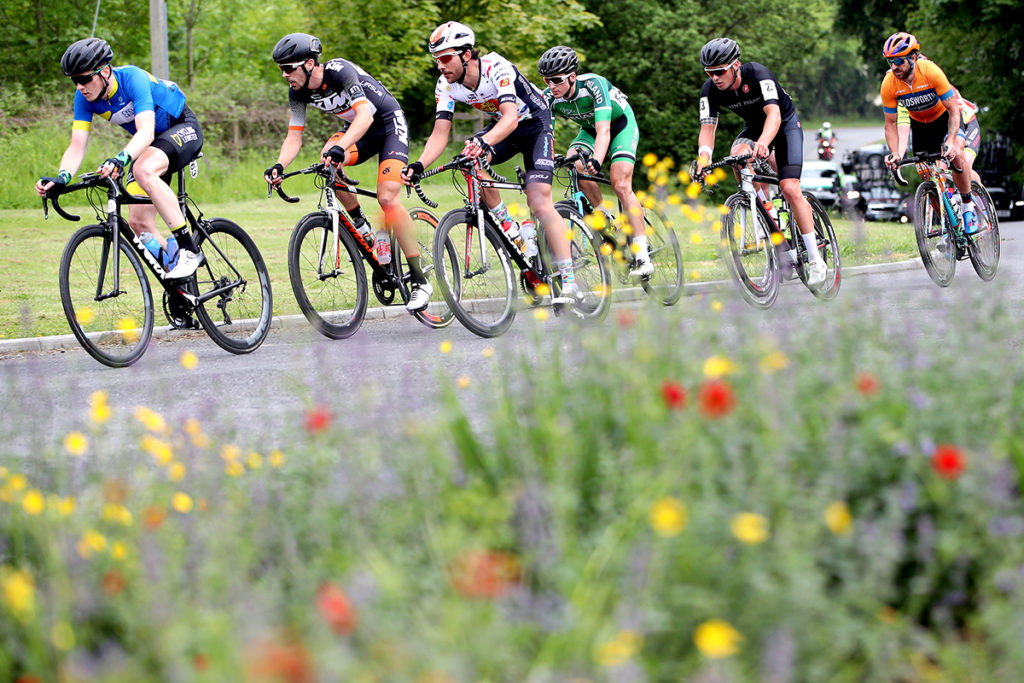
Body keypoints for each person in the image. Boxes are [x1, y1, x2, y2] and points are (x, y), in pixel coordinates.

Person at [400, 22, 582, 303]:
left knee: (539, 200)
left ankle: (570, 282)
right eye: (436, 59)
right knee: (467, 159)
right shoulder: (445, 85)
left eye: (446, 58)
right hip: (504, 126)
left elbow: (510, 117)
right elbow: (440, 132)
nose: (440, 66)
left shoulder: (496, 67)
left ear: (467, 54)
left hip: (534, 123)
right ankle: (510, 227)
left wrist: (485, 142)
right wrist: (419, 164)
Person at [263, 33, 432, 312]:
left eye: (288, 68)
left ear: (308, 63)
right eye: (280, 68)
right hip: (359, 132)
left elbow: (365, 116)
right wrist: (280, 165)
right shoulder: (298, 91)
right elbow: (294, 136)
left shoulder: (340, 71)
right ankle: (363, 227)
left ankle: (419, 279)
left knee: (387, 198)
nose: (284, 75)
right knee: (327, 160)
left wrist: (342, 145)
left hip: (387, 125)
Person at [35, 37, 204, 279]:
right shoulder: (84, 99)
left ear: (104, 72)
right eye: (74, 81)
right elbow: (77, 145)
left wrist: (120, 159)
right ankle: (182, 289)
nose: (79, 86)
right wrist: (62, 177)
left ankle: (189, 249)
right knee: (139, 224)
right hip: (152, 146)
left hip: (182, 128)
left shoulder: (132, 78)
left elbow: (145, 131)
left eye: (84, 79)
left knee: (143, 169)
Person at [692, 37, 826, 286]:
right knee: (737, 157)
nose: (715, 78)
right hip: (753, 127)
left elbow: (774, 114)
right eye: (709, 73)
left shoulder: (757, 73)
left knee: (789, 187)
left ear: (736, 65)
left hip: (784, 124)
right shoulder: (709, 90)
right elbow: (708, 129)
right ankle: (768, 211)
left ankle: (817, 260)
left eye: (720, 71)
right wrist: (704, 158)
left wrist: (764, 143)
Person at [537, 45, 652, 278]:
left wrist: (598, 160)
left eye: (557, 80)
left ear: (572, 76)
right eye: (547, 80)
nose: (552, 86)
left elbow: (604, 129)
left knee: (620, 183)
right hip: (589, 130)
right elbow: (545, 135)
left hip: (619, 125)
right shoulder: (548, 97)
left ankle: (642, 256)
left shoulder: (593, 85)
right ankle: (602, 215)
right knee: (574, 164)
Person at [880, 33, 981, 233]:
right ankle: (948, 224)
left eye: (899, 61)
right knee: (928, 175)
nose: (894, 67)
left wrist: (951, 140)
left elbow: (954, 110)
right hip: (923, 126)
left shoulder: (931, 72)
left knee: (956, 157)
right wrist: (896, 153)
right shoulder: (889, 84)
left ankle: (969, 207)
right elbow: (891, 124)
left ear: (913, 58)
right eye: (891, 62)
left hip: (949, 119)